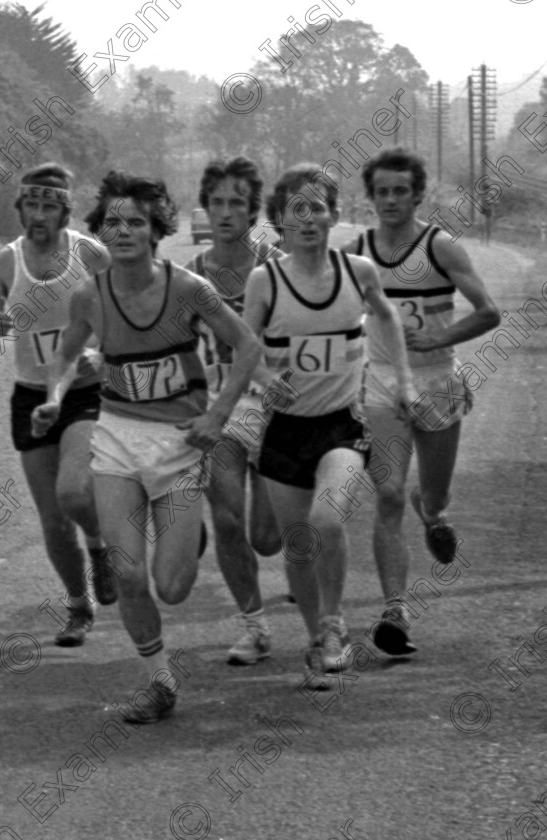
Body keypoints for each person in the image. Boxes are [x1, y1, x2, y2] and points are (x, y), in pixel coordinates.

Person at [32, 171, 260, 722]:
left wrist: (217, 415)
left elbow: (247, 345)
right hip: (117, 441)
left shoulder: (187, 288)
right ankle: (158, 681)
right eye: (113, 222)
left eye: (136, 221)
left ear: (156, 229)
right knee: (129, 573)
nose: (124, 230)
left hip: (179, 446)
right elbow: (65, 355)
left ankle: (189, 535)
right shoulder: (90, 296)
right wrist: (55, 397)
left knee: (173, 587)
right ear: (101, 233)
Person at [243, 164, 413, 688]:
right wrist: (268, 376)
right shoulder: (264, 281)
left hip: (341, 426)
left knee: (327, 520)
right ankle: (317, 640)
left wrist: (403, 381)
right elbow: (246, 347)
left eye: (317, 207)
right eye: (296, 210)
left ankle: (336, 626)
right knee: (297, 545)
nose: (308, 219)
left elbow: (385, 316)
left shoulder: (357, 271)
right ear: (279, 222)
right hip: (284, 430)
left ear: (335, 215)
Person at [345, 148, 500, 656]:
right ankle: (395, 611)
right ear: (371, 198)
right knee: (387, 493)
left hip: (435, 382)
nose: (390, 200)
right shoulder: (357, 253)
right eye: (382, 192)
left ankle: (431, 513)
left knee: (432, 494)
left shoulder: (441, 247)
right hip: (382, 384)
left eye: (400, 191)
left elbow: (488, 312)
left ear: (417, 194)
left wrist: (437, 340)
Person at [0, 163, 112, 647]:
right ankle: (78, 605)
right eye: (31, 205)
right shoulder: (7, 262)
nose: (38, 215)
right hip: (31, 395)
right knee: (52, 518)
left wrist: (103, 350)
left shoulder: (88, 254)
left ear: (64, 213)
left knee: (74, 493)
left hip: (85, 393)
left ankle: (99, 547)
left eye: (49, 207)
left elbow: (127, 307)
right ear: (20, 209)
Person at [185, 157, 284, 665]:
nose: (225, 213)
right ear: (205, 208)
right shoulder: (190, 277)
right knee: (227, 519)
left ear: (252, 211)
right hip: (221, 410)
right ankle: (254, 625)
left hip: (276, 408)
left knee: (266, 538)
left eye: (236, 204)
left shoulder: (278, 266)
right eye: (217, 203)